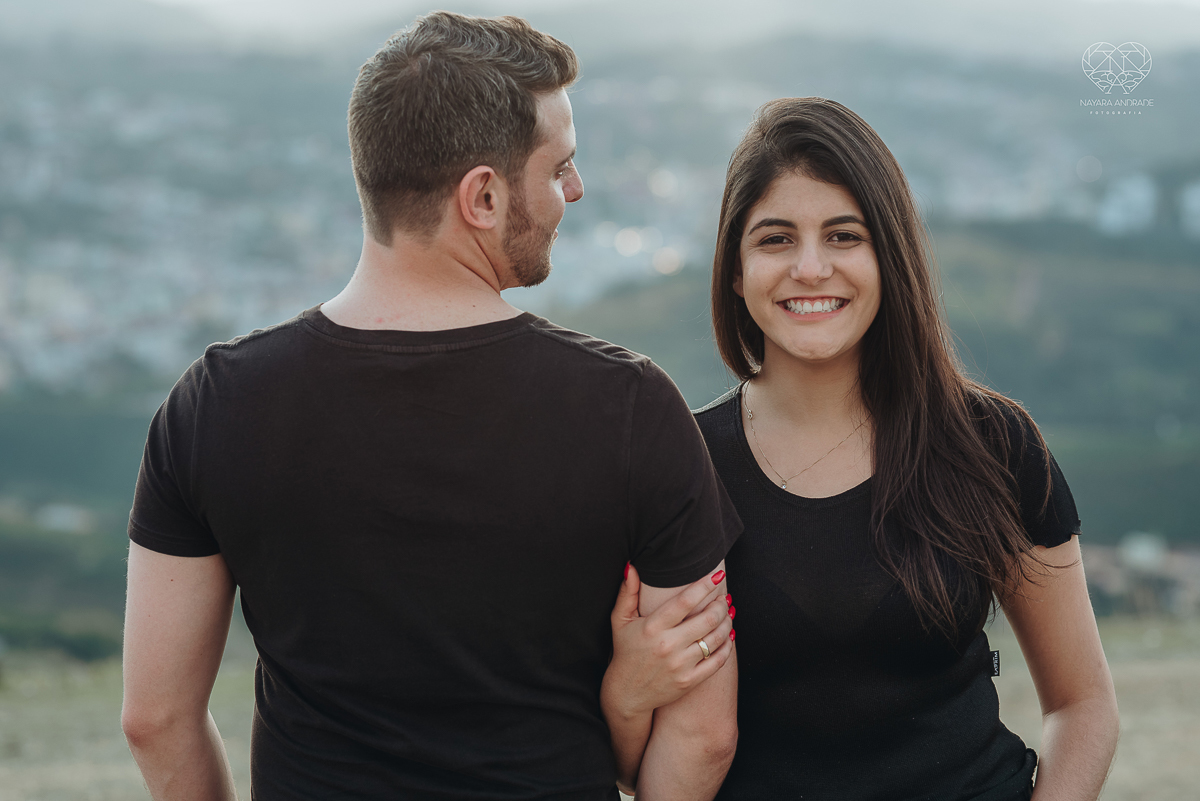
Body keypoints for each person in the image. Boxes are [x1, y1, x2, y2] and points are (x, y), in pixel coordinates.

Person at [119, 13, 741, 800]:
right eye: (559, 168)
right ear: (481, 196)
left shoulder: (213, 403)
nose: (574, 190)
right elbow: (707, 733)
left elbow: (155, 717)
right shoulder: (631, 406)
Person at [602, 97, 1119, 800]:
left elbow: (1082, 704)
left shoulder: (992, 442)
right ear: (733, 269)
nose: (811, 268)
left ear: (890, 255)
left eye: (844, 236)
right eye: (776, 239)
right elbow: (655, 772)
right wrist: (627, 691)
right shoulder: (683, 466)